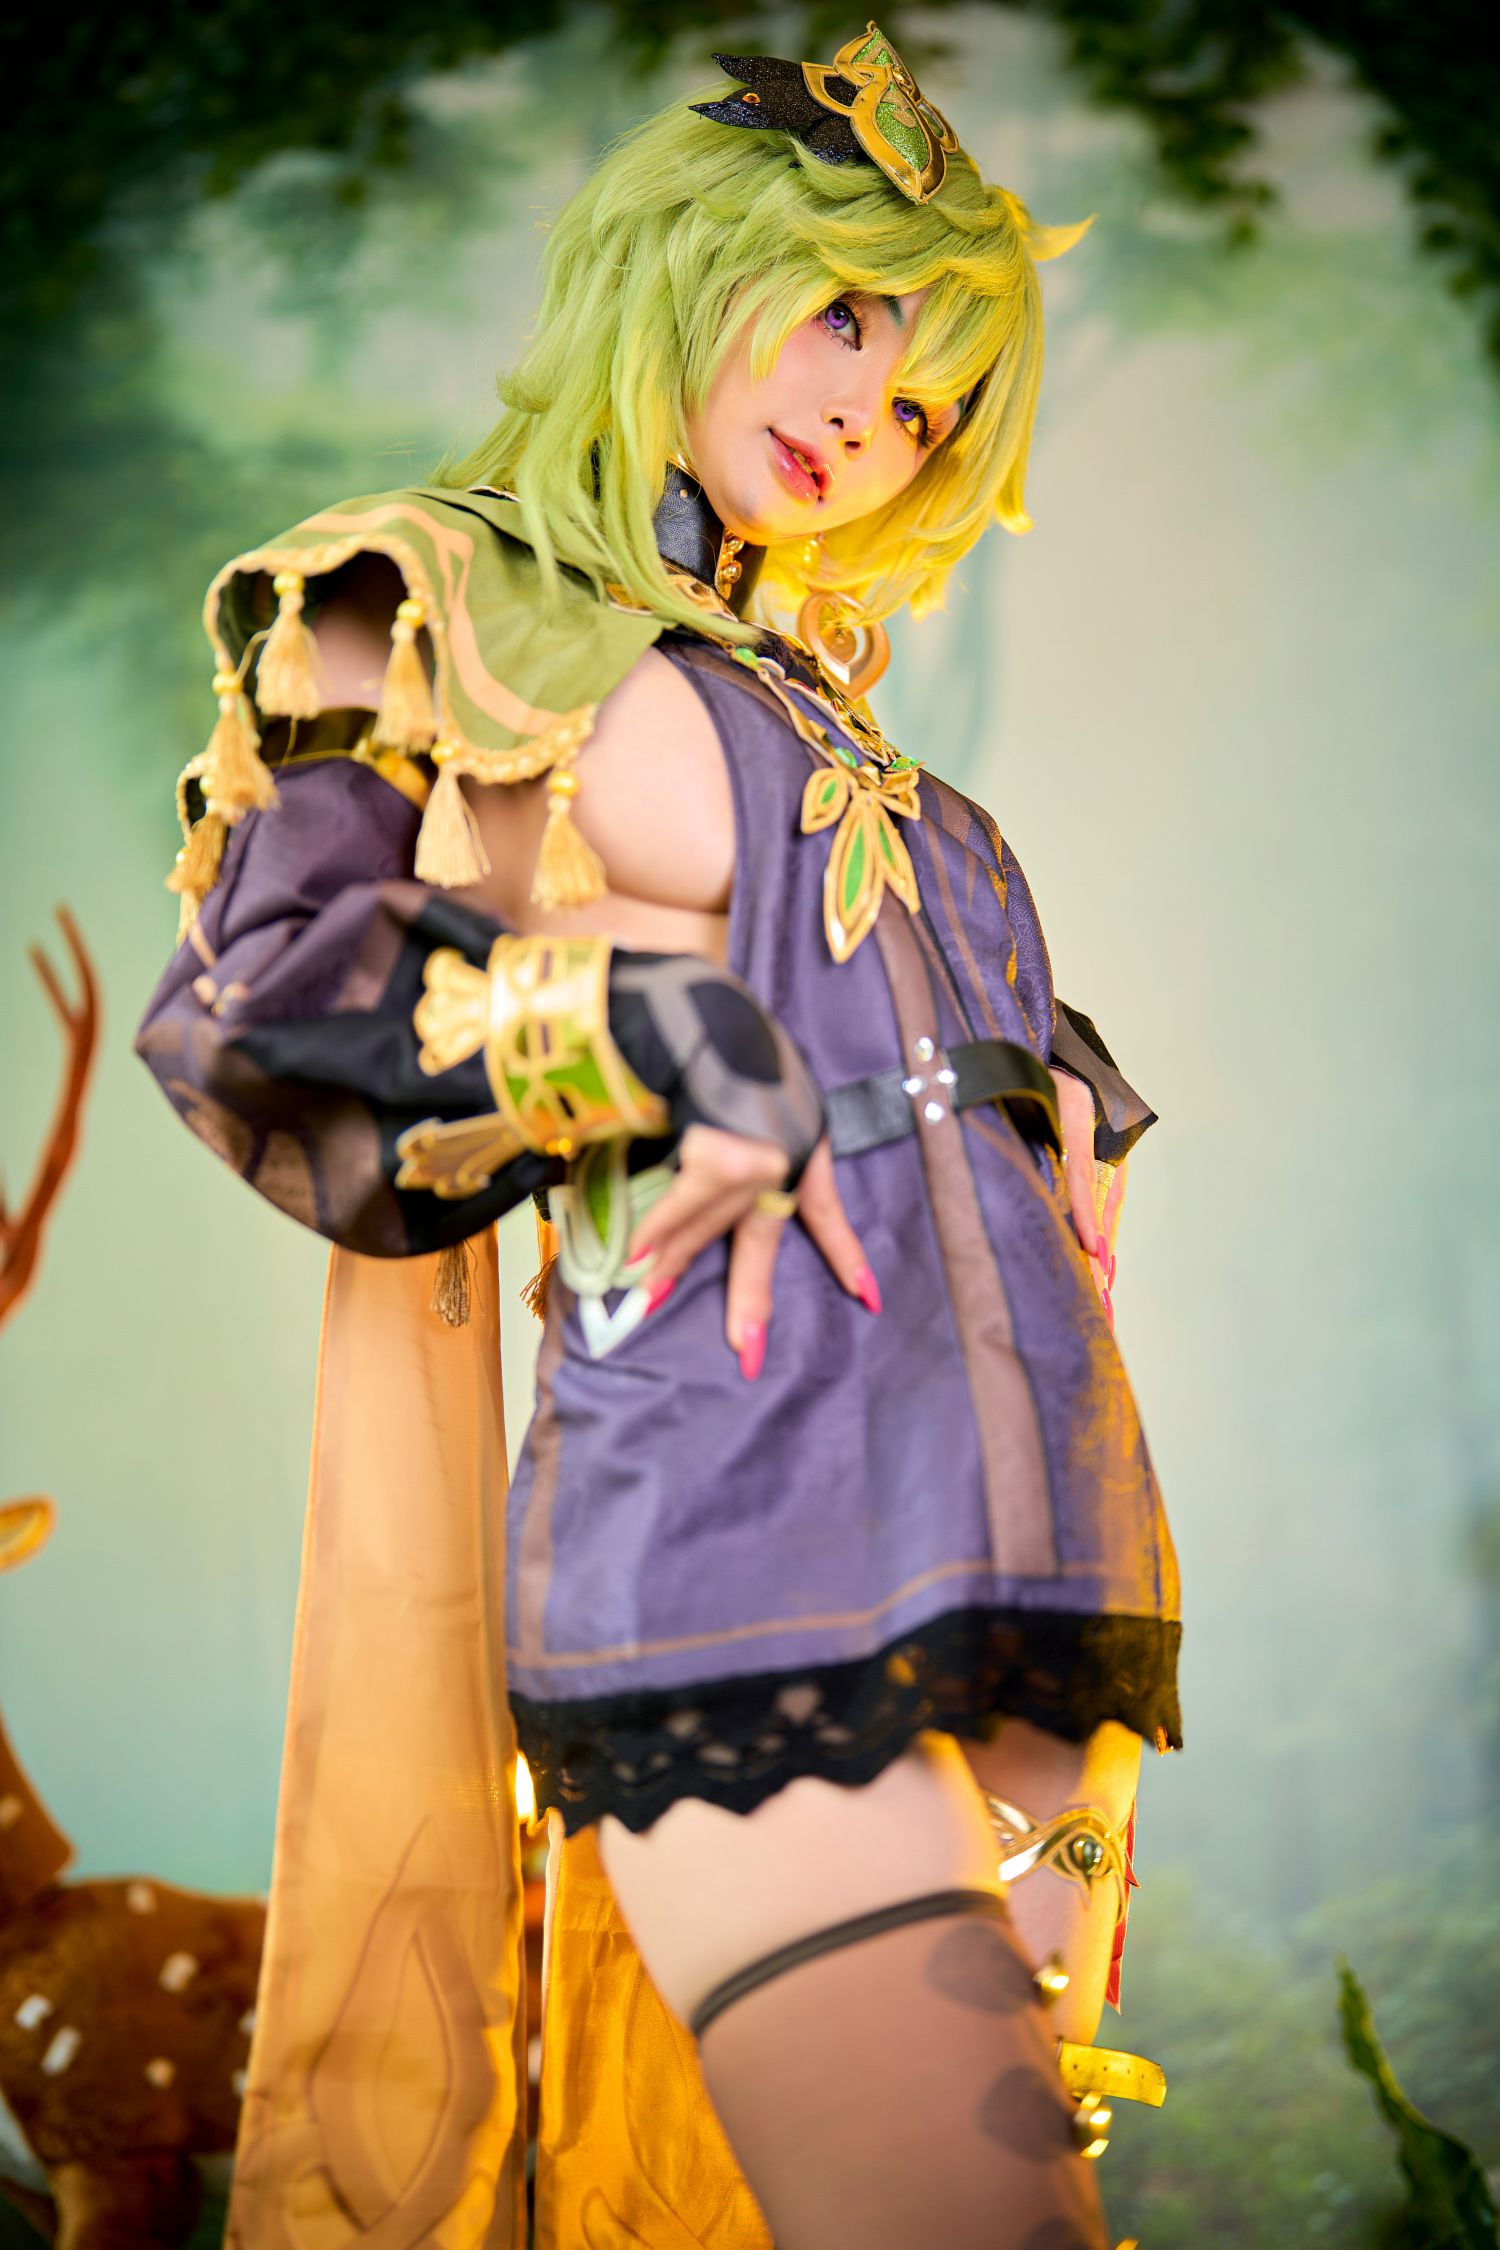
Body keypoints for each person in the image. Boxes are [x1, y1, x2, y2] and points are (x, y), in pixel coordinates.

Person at [136, 25, 1179, 2249]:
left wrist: (1059, 1090)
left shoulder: (811, 697)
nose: (868, 414)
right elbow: (265, 1006)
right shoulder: (407, 594)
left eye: (925, 401)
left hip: (1036, 1584)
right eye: (847, 313)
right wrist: (638, 1020)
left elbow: (890, 1001)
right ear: (689, 258)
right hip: (745, 1551)